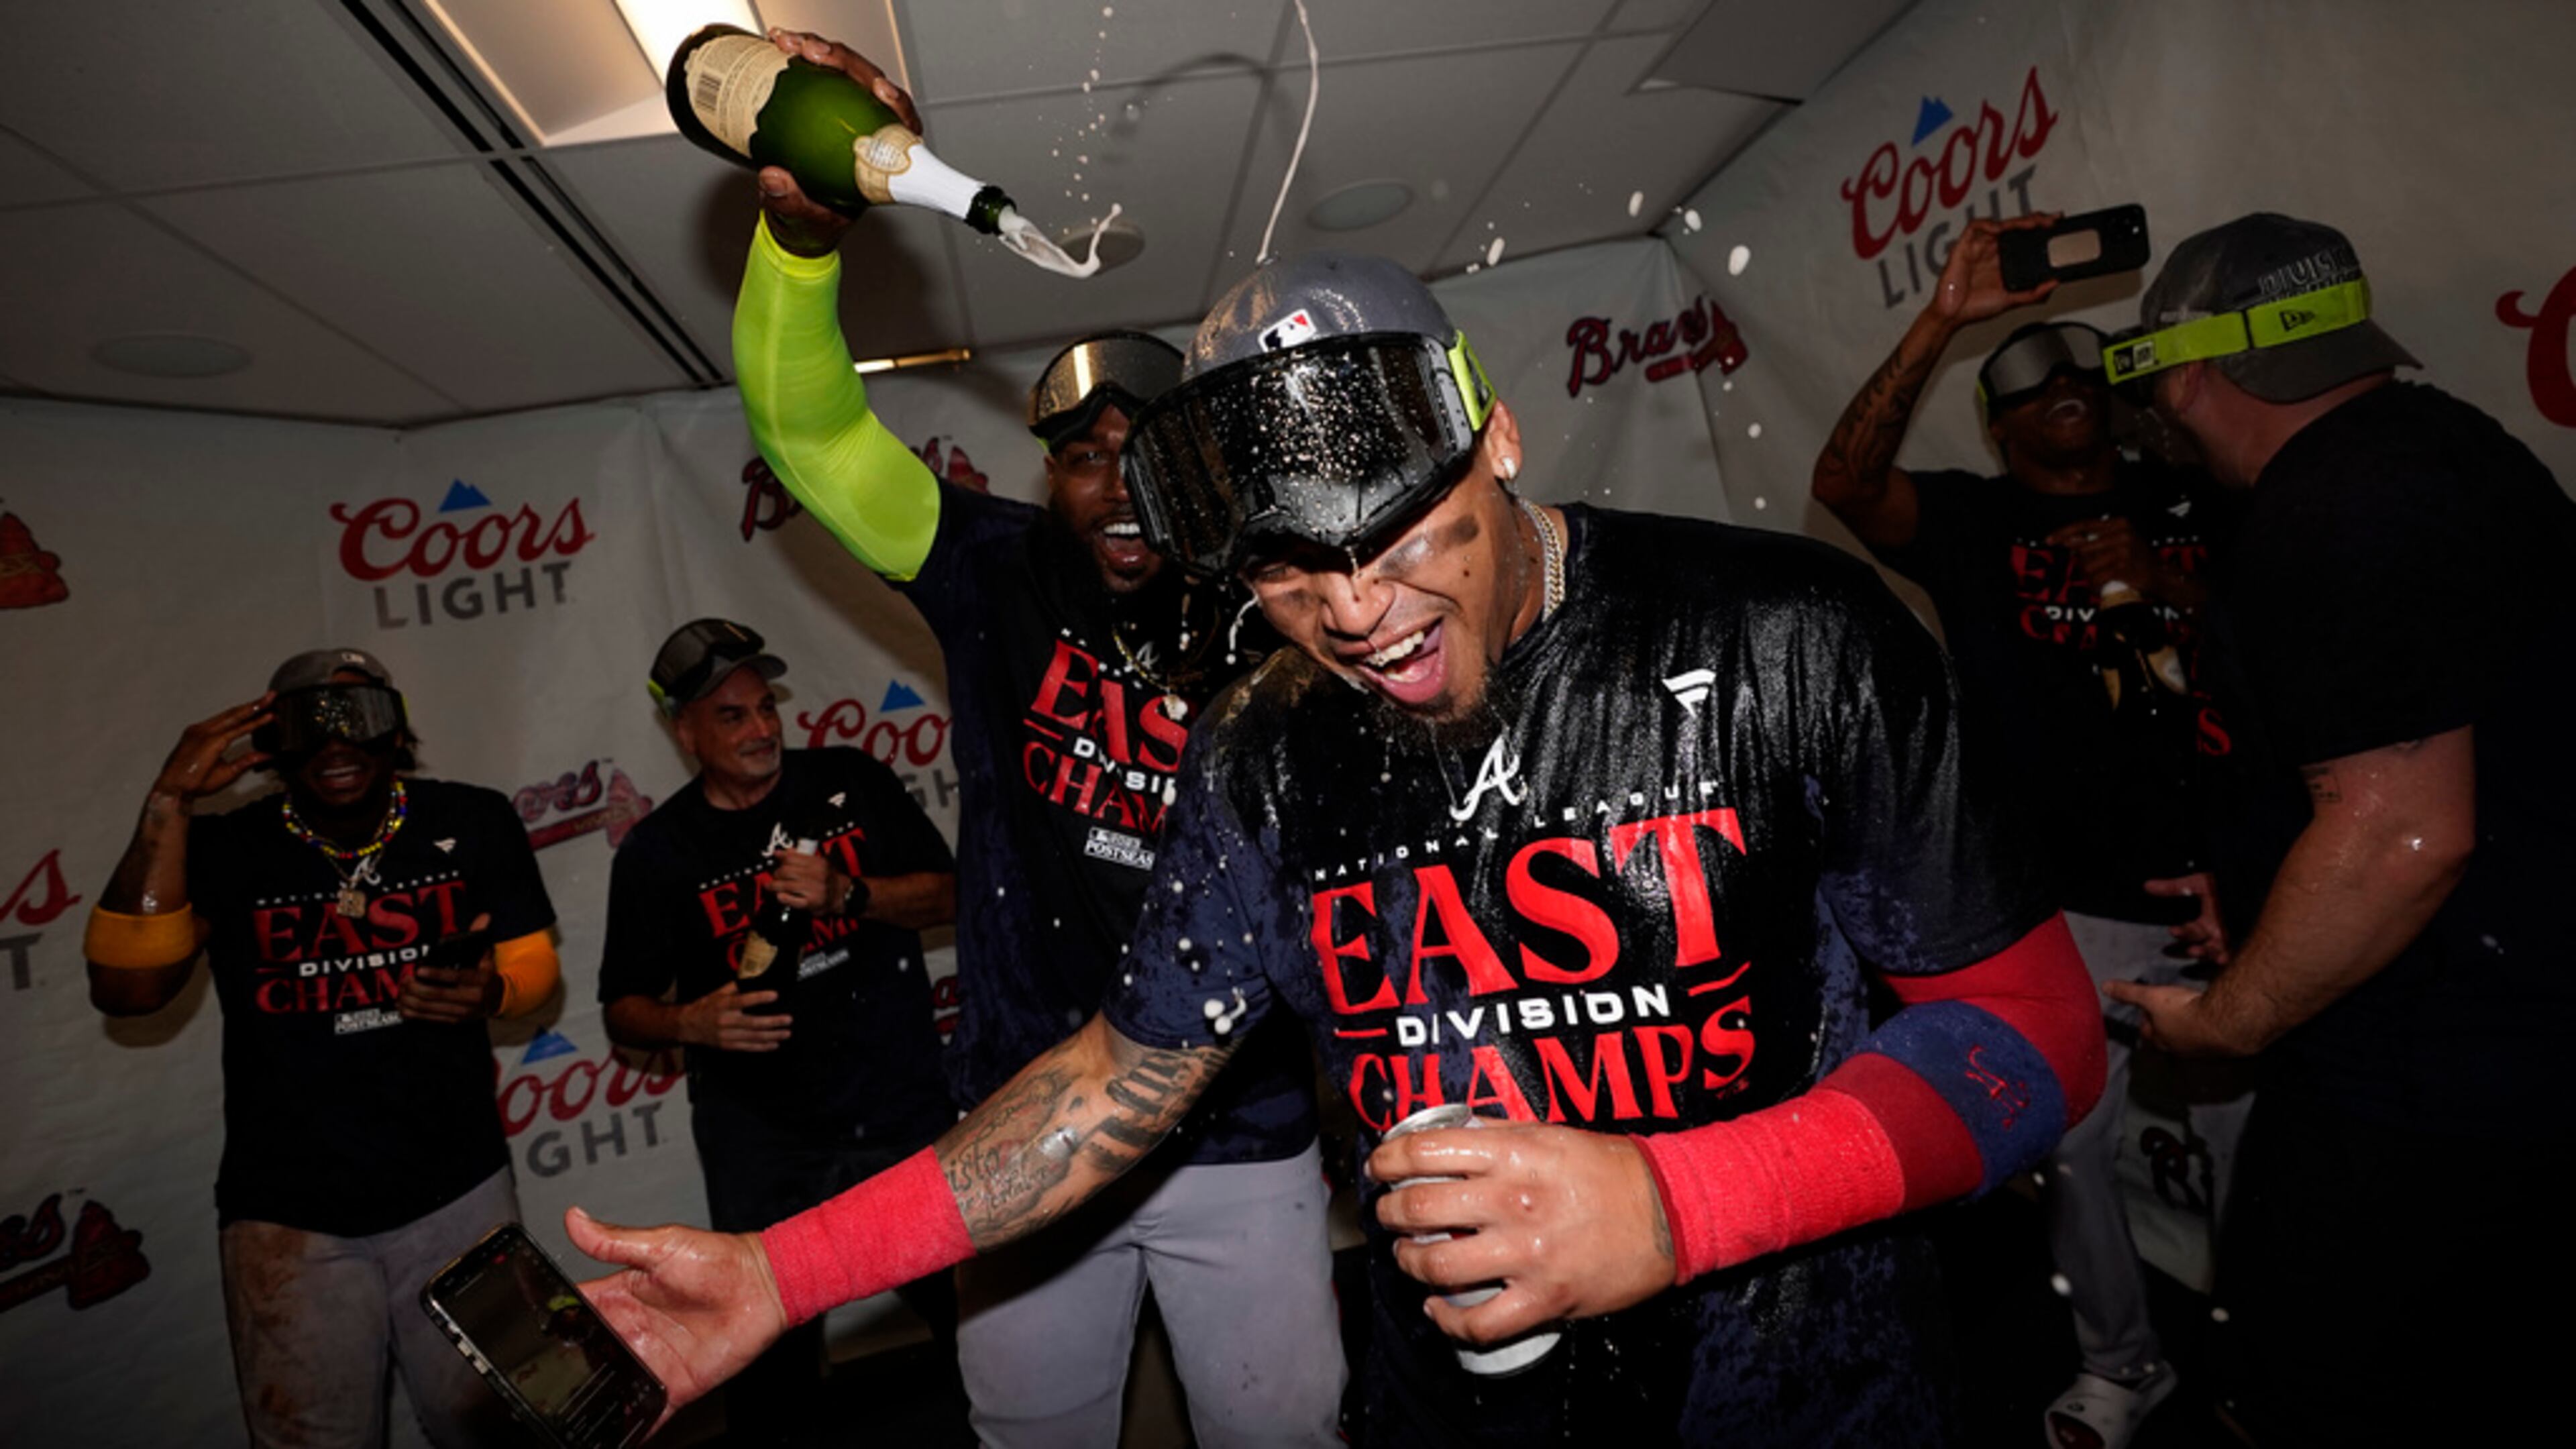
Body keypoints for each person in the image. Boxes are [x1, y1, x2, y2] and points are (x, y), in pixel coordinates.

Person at [568, 250, 2106, 1446]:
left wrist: (1678, 1203)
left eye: (1400, 531)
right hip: (1451, 1404)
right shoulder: (1262, 746)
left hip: (1798, 1394)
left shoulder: (1783, 635)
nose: (1358, 609)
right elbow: (1111, 1080)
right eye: (1295, 566)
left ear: (1494, 434)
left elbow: (2036, 1038)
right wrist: (781, 1273)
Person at [726, 30, 1342, 1446]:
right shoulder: (990, 570)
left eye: (1148, 457)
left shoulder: (1278, 601)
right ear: (1044, 472)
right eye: (1081, 457)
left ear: (1203, 470)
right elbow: (811, 440)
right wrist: (797, 250)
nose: (1115, 487)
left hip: (1236, 1124)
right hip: (1015, 1116)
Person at [2097, 213, 2576, 1446]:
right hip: (2496, 1027)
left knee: (2309, 1381)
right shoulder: (2451, 446)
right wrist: (2256, 889)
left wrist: (2231, 1017)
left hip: (2430, 1071)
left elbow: (2403, 835)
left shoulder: (2334, 510)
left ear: (2194, 366)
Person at [1812, 213, 2236, 1448]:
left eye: (2081, 372)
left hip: (2238, 881)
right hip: (2075, 899)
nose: (2062, 389)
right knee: (2071, 1143)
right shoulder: (1973, 524)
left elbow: (2300, 623)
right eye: (2026, 381)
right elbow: (1843, 481)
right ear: (1997, 425)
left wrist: (2176, 586)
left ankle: (2272, 1363)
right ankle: (2123, 1362)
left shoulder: (2194, 494)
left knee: (2247, 1146)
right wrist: (1947, 317)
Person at [81, 648, 559, 1449]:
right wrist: (167, 799)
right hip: (290, 1221)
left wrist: (495, 993)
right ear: (270, 745)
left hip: (459, 1193)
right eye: (307, 726)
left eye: (360, 719)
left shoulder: (470, 819)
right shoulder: (228, 847)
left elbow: (531, 964)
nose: (336, 746)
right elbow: (127, 991)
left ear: (397, 730)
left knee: (506, 1431)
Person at [599, 619, 963, 1446]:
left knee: (985, 1332)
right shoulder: (658, 853)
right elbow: (622, 1006)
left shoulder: (849, 782)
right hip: (764, 1146)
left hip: (899, 1114)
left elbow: (953, 894)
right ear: (683, 730)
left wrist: (850, 896)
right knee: (774, 1379)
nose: (762, 729)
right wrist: (688, 1020)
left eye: (766, 709)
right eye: (731, 717)